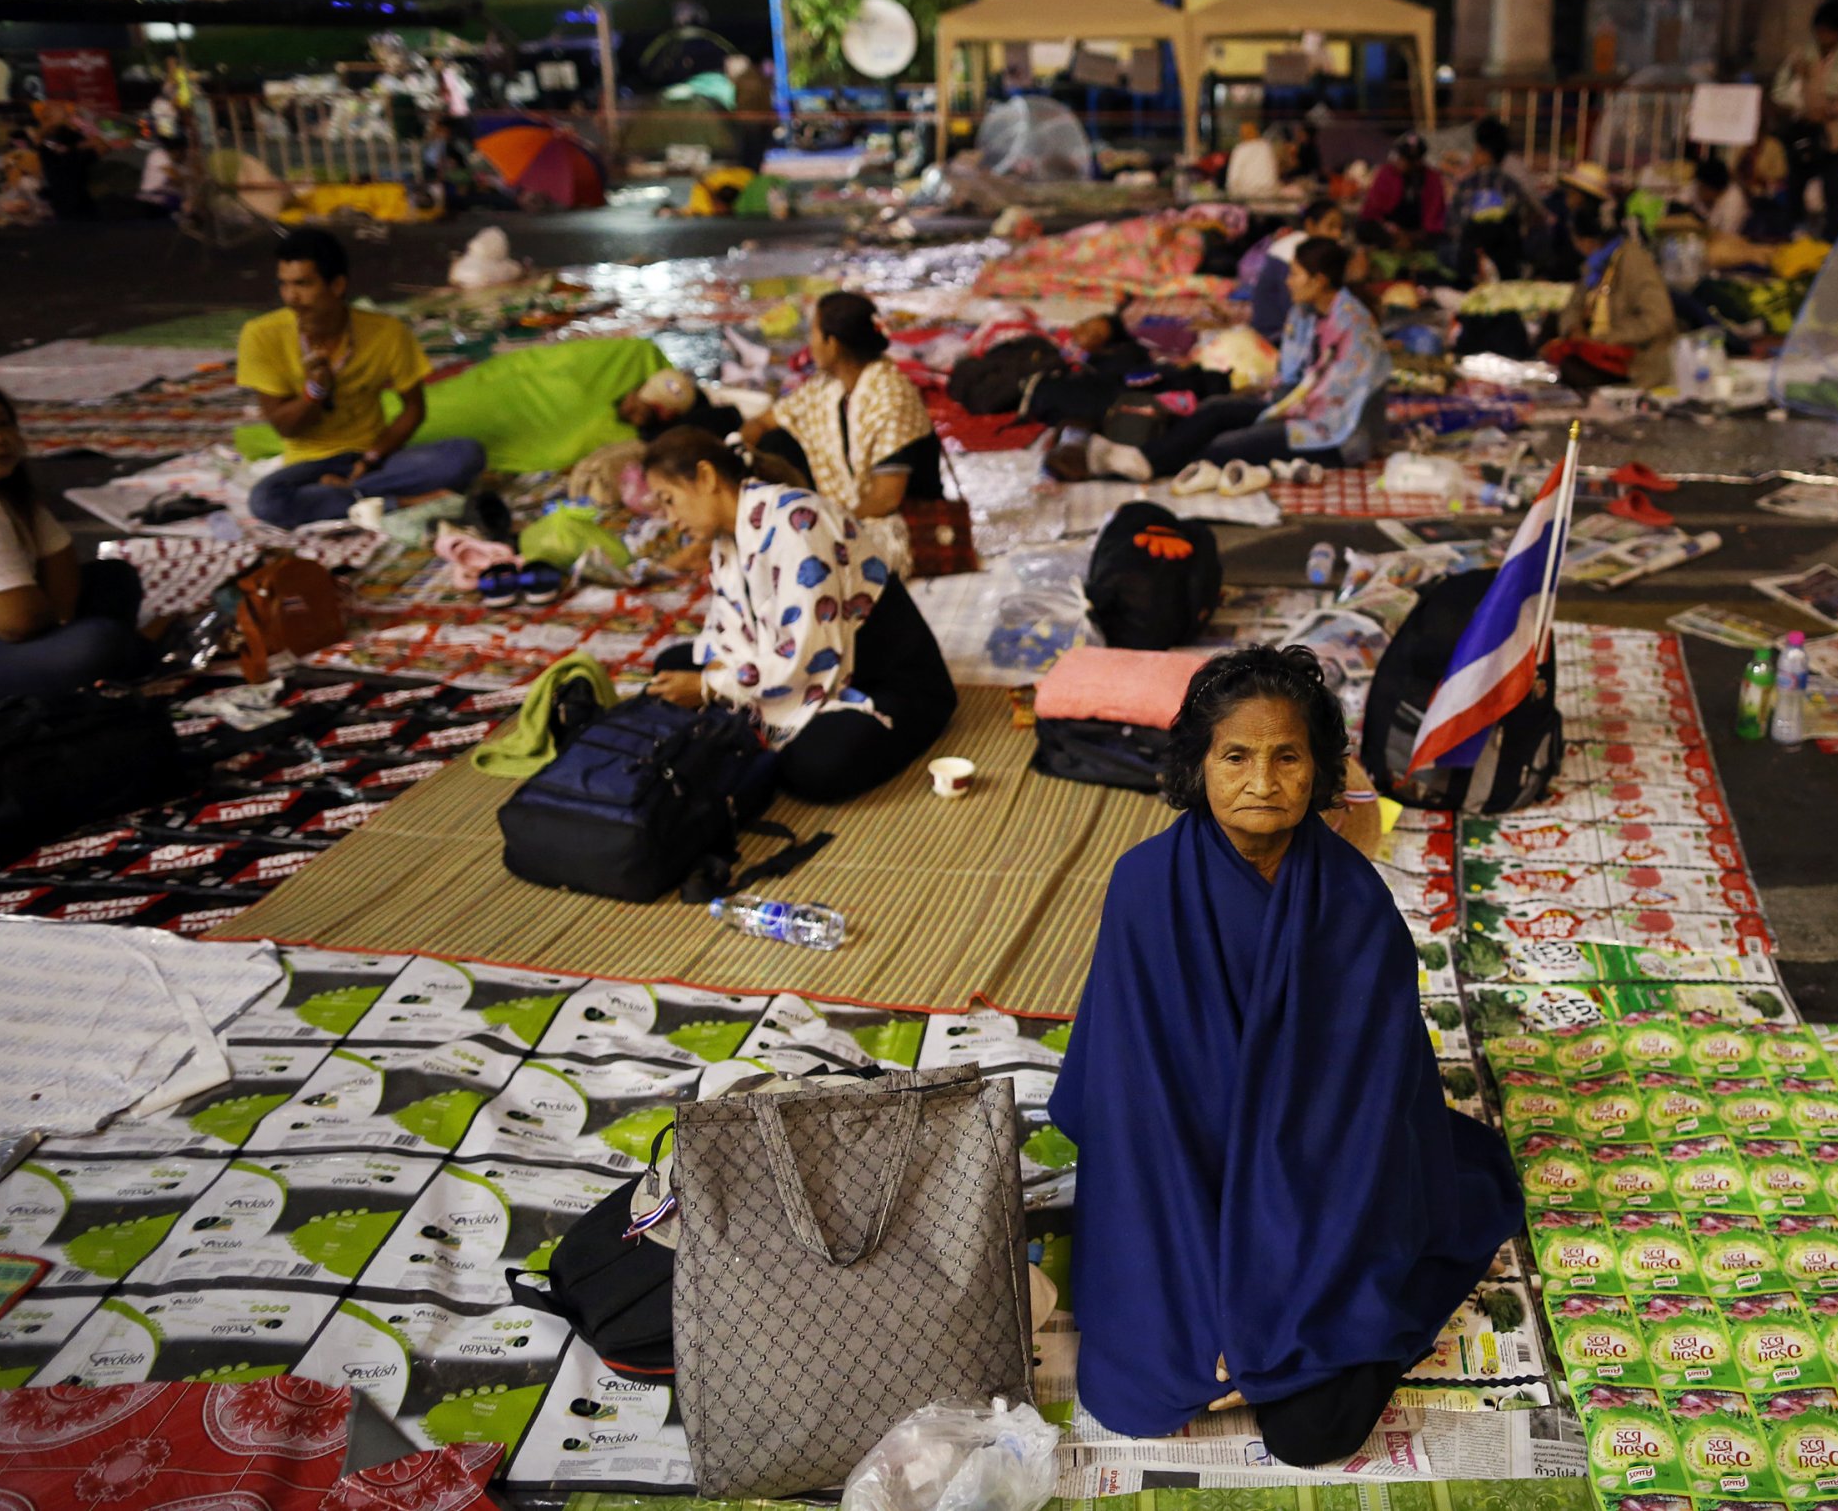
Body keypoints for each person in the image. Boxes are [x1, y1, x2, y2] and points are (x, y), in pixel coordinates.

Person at [1050, 645, 1518, 1465]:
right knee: (1140, 1389)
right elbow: (1140, 1125)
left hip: (1315, 1208)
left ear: (1321, 769)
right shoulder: (1143, 889)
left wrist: (1270, 1316)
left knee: (1310, 1433)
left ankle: (1289, 1339)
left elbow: (1359, 1145)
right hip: (1177, 1191)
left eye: (1287, 756)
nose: (1262, 780)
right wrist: (1214, 1313)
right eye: (1236, 755)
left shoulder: (1357, 911)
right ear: (1199, 765)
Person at [639, 427, 956, 803]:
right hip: (799, 665)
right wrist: (711, 676)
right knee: (670, 666)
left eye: (669, 500)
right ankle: (753, 728)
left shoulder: (797, 522)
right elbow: (732, 632)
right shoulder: (728, 539)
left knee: (816, 768)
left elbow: (806, 655)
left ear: (706, 477)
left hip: (881, 680)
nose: (671, 519)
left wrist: (711, 687)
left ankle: (753, 731)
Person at [239, 228, 487, 529]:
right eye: (284, 284)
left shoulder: (386, 332)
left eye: (303, 284)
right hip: (308, 465)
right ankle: (400, 501)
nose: (292, 297)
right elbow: (285, 426)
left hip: (374, 459)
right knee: (266, 501)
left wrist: (369, 460)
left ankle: (344, 496)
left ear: (337, 285)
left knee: (465, 455)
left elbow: (414, 409)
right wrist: (316, 390)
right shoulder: (261, 335)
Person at [1088, 237, 1390, 482]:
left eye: (1295, 273)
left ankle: (1142, 465)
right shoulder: (1305, 314)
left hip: (1332, 435)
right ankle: (1142, 458)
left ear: (1319, 281)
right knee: (1215, 410)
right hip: (1295, 409)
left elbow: (1334, 405)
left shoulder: (1356, 330)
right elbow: (1292, 379)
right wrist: (1272, 404)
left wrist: (1276, 411)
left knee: (1225, 446)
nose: (1287, 282)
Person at [744, 291, 940, 576]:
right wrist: (739, 446)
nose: (809, 344)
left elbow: (886, 498)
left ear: (832, 343)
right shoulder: (828, 388)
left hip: (900, 525)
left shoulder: (890, 395)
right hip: (852, 517)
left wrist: (828, 529)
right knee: (773, 443)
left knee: (799, 565)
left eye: (813, 333)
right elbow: (765, 421)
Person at [0, 382, 151, 701]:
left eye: (2, 423)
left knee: (113, 578)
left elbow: (59, 560)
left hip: (6, 637)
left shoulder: (5, 490)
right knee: (98, 642)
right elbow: (17, 621)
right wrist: (57, 628)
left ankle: (113, 666)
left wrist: (58, 624)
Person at [1552, 189, 1676, 388]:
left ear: (1587, 241)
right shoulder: (1596, 265)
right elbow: (1573, 306)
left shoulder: (1633, 262)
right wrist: (1573, 329)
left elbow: (1659, 318)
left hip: (1636, 363)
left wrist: (1604, 339)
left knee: (1573, 371)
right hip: (1600, 354)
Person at [1771, 0, 1838, 239]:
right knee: (1795, 183)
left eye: (1829, 31)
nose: (1824, 36)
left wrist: (1837, 108)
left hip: (1835, 133)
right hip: (1805, 129)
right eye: (1820, 31)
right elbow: (1784, 87)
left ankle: (1832, 236)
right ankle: (1794, 232)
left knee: (1833, 187)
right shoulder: (1803, 53)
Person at [1446, 117, 1540, 283]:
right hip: (1507, 267)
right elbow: (1527, 225)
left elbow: (1454, 227)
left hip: (1471, 267)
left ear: (1480, 150)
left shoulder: (1467, 186)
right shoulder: (1512, 186)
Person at [1244, 198, 1347, 340]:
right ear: (1310, 225)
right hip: (1273, 334)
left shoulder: (1316, 255)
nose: (1337, 234)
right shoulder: (1292, 254)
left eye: (1340, 228)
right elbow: (1291, 309)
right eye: (1331, 227)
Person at [1360, 132, 1445, 240]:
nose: (1402, 161)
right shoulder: (1387, 173)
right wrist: (1388, 227)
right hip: (1390, 227)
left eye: (1409, 159)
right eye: (1402, 156)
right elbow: (1373, 209)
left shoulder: (1431, 178)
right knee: (1364, 228)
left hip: (1418, 230)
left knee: (1439, 238)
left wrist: (1416, 234)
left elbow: (1434, 213)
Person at [1676, 154, 1751, 236]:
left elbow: (1726, 235)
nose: (1698, 191)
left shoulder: (1733, 202)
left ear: (1715, 191)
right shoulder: (1699, 184)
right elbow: (1680, 201)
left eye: (1702, 188)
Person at [1224, 122, 1291, 202]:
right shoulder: (1266, 147)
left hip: (1247, 196)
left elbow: (1233, 179)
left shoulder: (1241, 149)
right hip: (1269, 196)